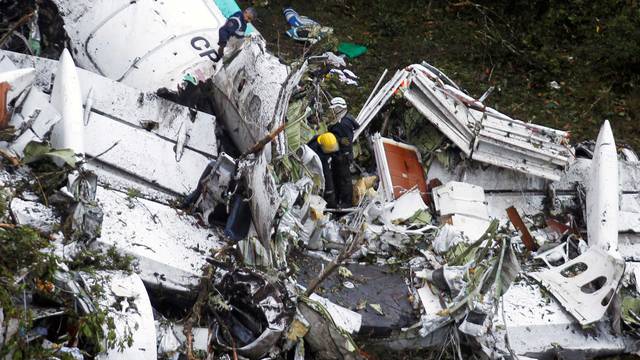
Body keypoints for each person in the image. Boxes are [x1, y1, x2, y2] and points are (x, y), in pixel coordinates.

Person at [327, 97, 359, 207]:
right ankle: (338, 201)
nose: (332, 111)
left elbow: (345, 142)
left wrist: (337, 139)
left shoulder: (344, 123)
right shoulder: (347, 119)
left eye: (334, 109)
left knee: (344, 180)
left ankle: (346, 203)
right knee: (338, 178)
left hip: (342, 155)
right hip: (341, 155)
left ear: (339, 108)